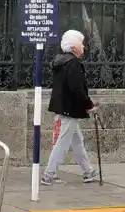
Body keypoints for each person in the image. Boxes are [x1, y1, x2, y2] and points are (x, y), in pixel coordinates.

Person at [42, 28, 98, 184]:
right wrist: (89, 105)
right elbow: (77, 88)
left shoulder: (61, 62)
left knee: (77, 141)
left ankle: (88, 171)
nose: (83, 47)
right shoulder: (73, 63)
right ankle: (49, 174)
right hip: (70, 109)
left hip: (63, 107)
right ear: (74, 47)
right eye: (81, 44)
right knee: (63, 142)